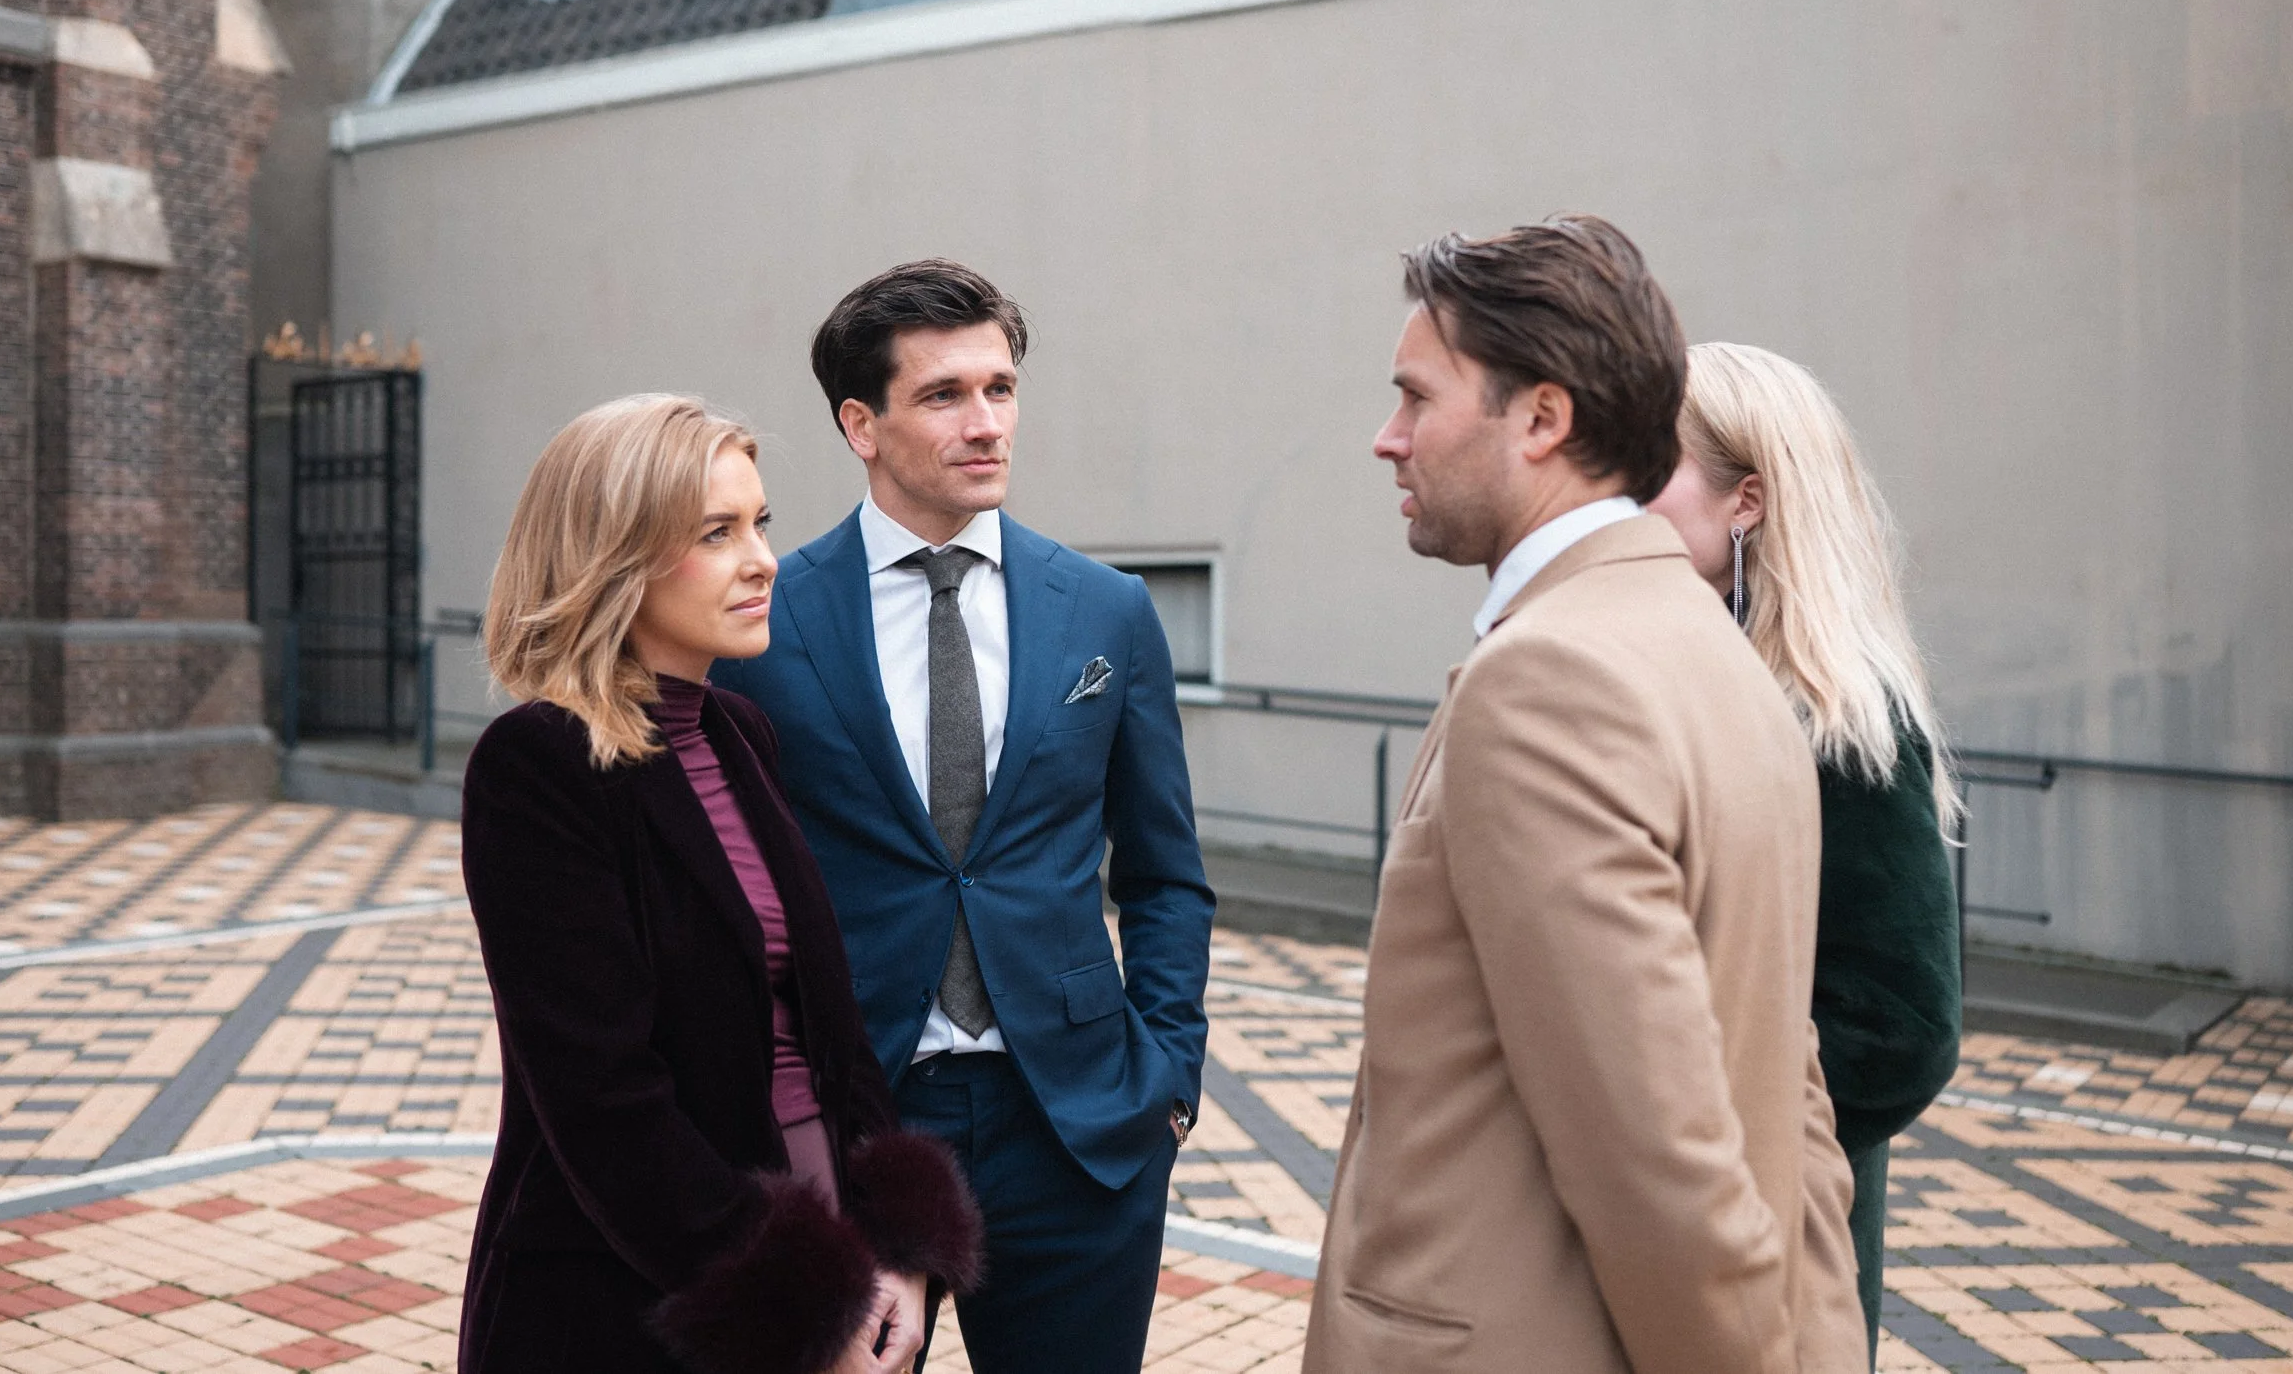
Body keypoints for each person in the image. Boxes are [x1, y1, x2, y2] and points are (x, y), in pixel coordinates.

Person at [1305, 219, 1866, 1374]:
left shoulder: (1548, 676)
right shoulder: (1714, 650)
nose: (1387, 437)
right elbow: (1790, 1094)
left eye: (1416, 396)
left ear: (1542, 419)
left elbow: (1656, 1152)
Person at [713, 261, 1215, 1374]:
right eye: (943, 394)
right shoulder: (766, 621)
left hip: (1078, 1127)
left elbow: (1166, 872)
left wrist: (1168, 1081)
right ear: (861, 424)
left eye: (1000, 387)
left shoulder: (1106, 610)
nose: (986, 422)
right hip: (860, 1122)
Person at [458, 395, 982, 1374]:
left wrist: (900, 1248)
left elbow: (830, 1027)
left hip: (823, 1237)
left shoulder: (740, 734)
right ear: (615, 558)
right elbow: (601, 1098)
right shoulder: (539, 764)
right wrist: (802, 1309)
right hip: (648, 1285)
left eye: (760, 523)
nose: (762, 559)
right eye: (716, 533)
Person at [1648, 341, 1963, 1356]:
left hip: (1772, 1244)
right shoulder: (1674, 672)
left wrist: (1702, 1145)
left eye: (1649, 462)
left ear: (1745, 501)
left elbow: (1903, 1028)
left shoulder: (1844, 721)